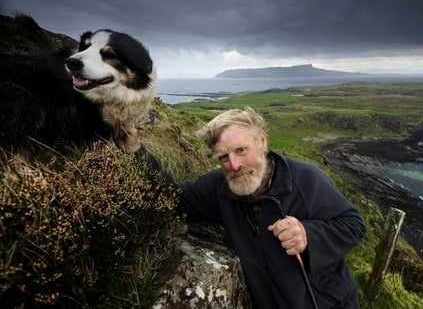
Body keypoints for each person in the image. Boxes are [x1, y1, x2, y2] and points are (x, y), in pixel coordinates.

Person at [116, 107, 366, 308]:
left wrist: (307, 234)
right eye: (223, 157)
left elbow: (353, 225)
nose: (234, 165)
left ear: (263, 142)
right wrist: (135, 151)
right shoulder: (219, 186)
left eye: (241, 150)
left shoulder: (306, 178)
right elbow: (170, 198)